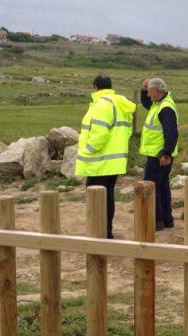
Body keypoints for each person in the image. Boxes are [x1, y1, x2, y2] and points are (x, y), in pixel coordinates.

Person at [76, 74, 136, 239]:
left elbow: (100, 133)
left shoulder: (102, 104)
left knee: (96, 197)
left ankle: (99, 233)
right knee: (108, 196)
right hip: (113, 161)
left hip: (100, 160)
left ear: (95, 86)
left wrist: (88, 149)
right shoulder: (118, 102)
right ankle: (106, 231)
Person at [139, 77, 179, 231]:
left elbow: (171, 133)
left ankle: (157, 220)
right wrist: (143, 89)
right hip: (159, 154)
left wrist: (166, 154)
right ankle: (166, 219)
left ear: (157, 91)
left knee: (152, 187)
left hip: (159, 155)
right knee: (161, 186)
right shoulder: (159, 103)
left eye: (149, 92)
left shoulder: (165, 108)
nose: (148, 95)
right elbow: (146, 103)